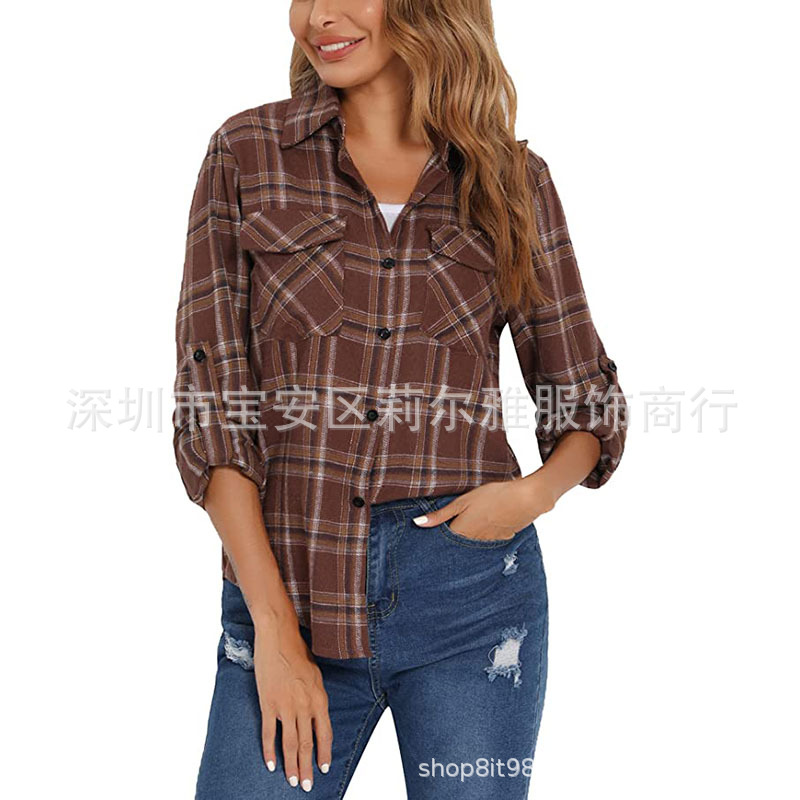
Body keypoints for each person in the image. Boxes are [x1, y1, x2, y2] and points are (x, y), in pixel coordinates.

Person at [172, 1, 627, 798]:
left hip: (471, 597)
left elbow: (584, 397)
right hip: (289, 586)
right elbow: (213, 409)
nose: (319, 16)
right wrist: (273, 629)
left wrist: (529, 497)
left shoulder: (511, 181)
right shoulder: (249, 154)